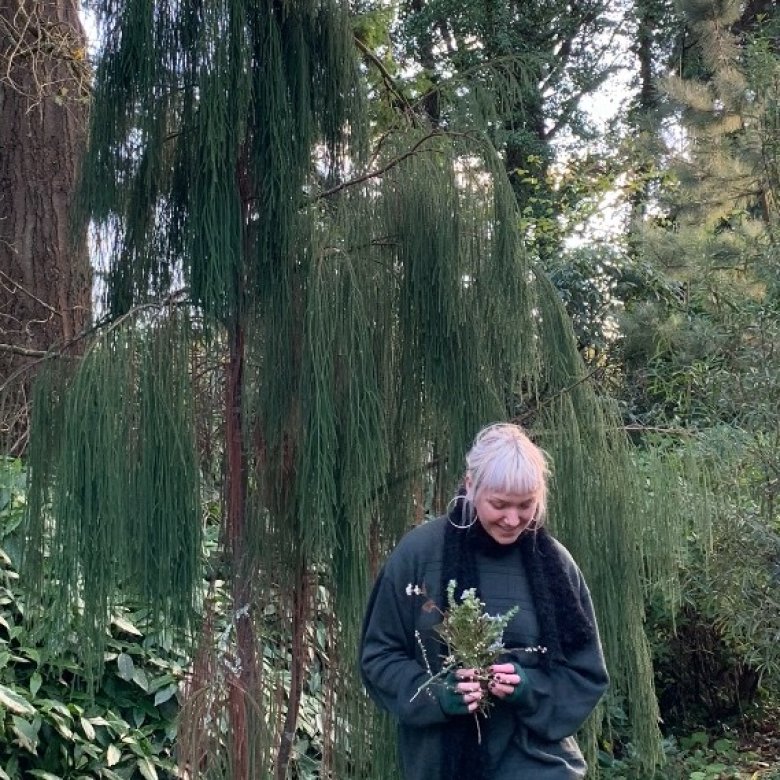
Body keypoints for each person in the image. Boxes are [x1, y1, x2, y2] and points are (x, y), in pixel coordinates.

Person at [360, 422, 609, 780]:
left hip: (540, 765)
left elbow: (585, 674)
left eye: (526, 505)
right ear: (470, 485)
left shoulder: (555, 564)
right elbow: (379, 657)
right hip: (439, 764)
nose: (513, 519)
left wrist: (528, 689)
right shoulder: (418, 554)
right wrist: (437, 695)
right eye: (499, 504)